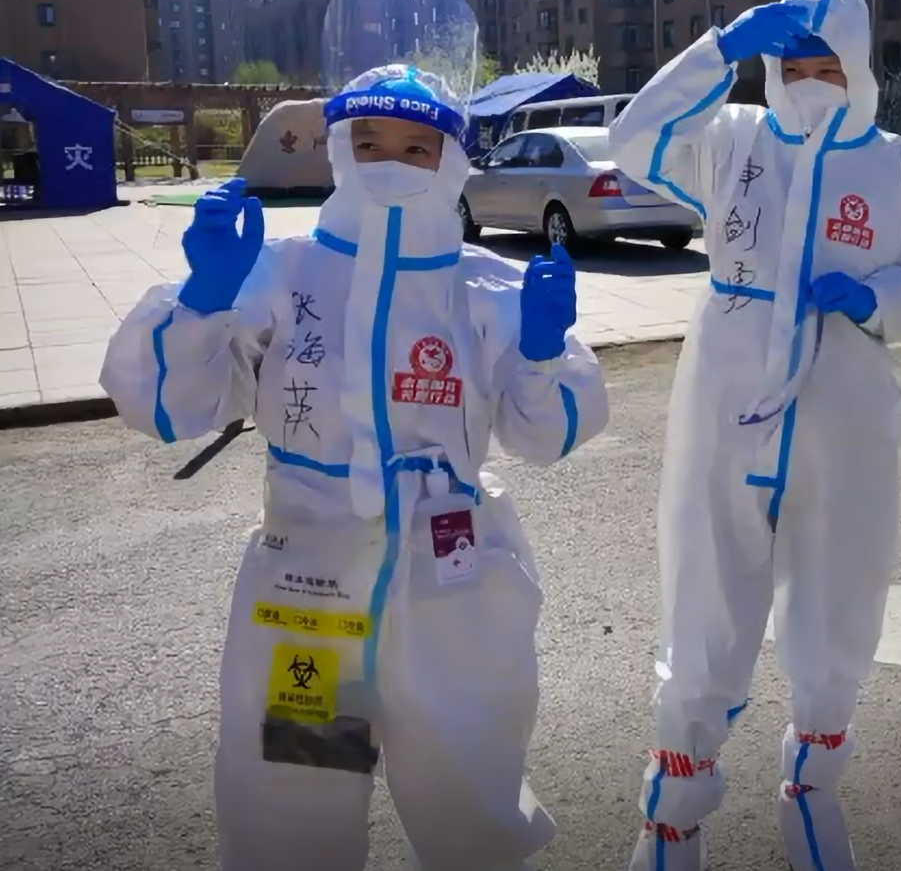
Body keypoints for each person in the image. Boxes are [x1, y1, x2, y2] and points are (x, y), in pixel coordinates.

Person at [100, 64, 610, 871]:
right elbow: (168, 407)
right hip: (310, 590)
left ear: (451, 158)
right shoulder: (283, 271)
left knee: (468, 793)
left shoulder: (485, 286)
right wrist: (202, 300)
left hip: (452, 583)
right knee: (298, 799)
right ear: (338, 149)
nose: (388, 163)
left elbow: (543, 436)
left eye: (415, 147)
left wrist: (542, 353)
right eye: (367, 142)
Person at [609, 0, 901, 871]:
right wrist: (718, 50)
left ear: (858, 65)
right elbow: (634, 138)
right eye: (792, 62)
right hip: (724, 405)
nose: (808, 78)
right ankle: (671, 818)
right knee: (702, 596)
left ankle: (813, 793)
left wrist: (878, 298)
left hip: (843, 417)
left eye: (826, 63)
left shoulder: (900, 166)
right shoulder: (729, 138)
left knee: (839, 596)